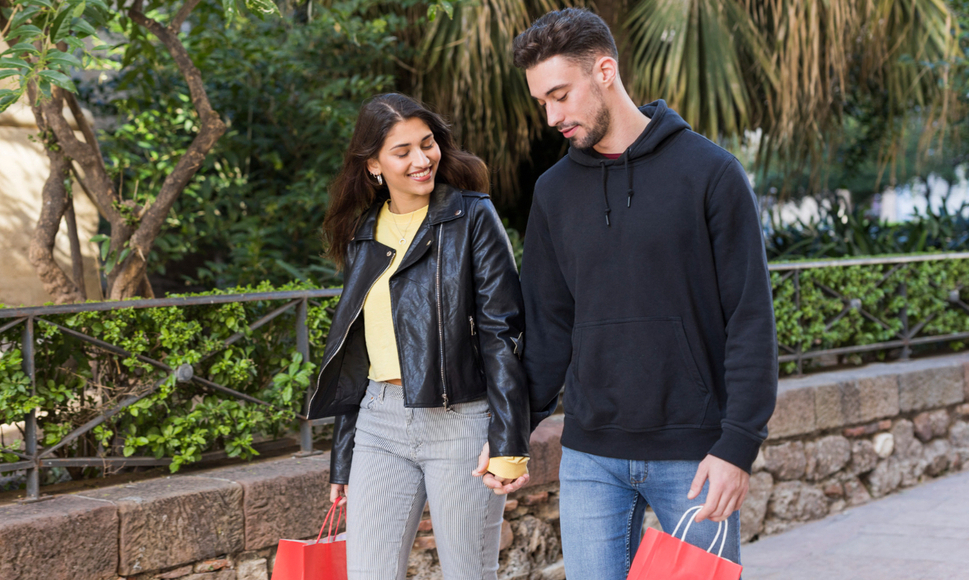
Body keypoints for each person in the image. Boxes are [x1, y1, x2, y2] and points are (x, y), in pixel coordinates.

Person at [511, 9, 778, 580]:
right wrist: (511, 433)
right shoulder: (553, 193)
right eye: (543, 103)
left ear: (604, 70)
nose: (553, 116)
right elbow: (548, 328)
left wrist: (738, 447)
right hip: (590, 455)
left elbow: (750, 319)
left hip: (695, 454)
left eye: (561, 95)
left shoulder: (710, 172)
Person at [306, 93, 532, 580]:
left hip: (461, 424)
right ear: (373, 165)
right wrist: (342, 459)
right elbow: (356, 353)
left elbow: (502, 330)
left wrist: (510, 440)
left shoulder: (472, 215)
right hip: (377, 424)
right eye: (401, 151)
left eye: (426, 144)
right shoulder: (362, 230)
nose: (421, 160)